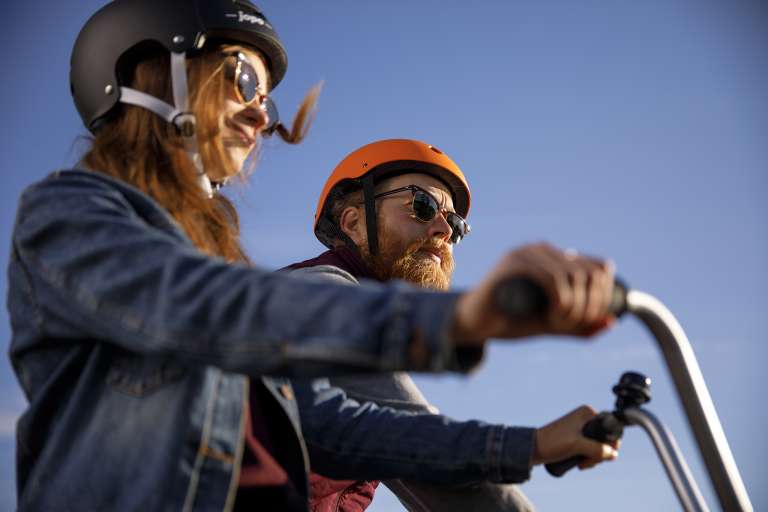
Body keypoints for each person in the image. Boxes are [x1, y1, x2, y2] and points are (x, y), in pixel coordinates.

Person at [8, 1, 617, 510]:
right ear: (152, 75)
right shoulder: (66, 215)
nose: (261, 114)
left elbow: (335, 425)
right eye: (245, 81)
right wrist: (460, 318)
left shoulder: (230, 286)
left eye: (268, 101)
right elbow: (204, 307)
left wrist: (528, 445)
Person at [285, 139, 619, 512]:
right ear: (354, 223)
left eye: (456, 224)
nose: (444, 229)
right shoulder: (320, 289)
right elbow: (417, 452)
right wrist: (532, 446)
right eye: (422, 205)